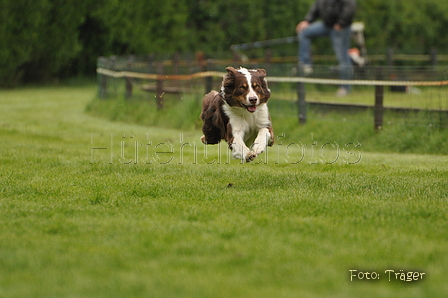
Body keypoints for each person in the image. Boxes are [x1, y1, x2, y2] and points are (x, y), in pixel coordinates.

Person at [296, 0, 357, 96]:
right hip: (326, 25)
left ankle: (345, 88)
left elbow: (350, 7)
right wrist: (307, 21)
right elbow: (316, 7)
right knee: (304, 32)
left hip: (341, 27)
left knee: (343, 58)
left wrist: (341, 23)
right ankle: (306, 64)